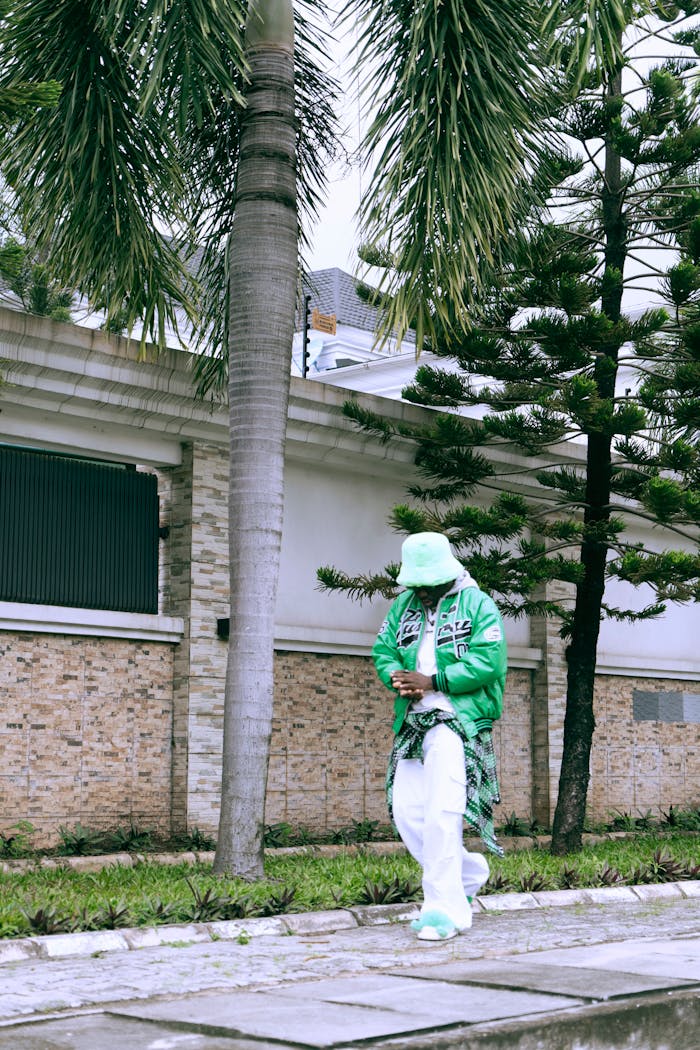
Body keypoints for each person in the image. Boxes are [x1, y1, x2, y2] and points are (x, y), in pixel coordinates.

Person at [372, 531, 507, 942]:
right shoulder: (403, 606)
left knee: (442, 812)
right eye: (417, 583)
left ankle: (443, 912)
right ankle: (467, 873)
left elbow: (489, 661)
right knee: (407, 813)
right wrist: (399, 680)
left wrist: (432, 681)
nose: (423, 591)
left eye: (430, 583)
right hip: (413, 721)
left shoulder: (478, 604)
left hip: (456, 720)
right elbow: (383, 650)